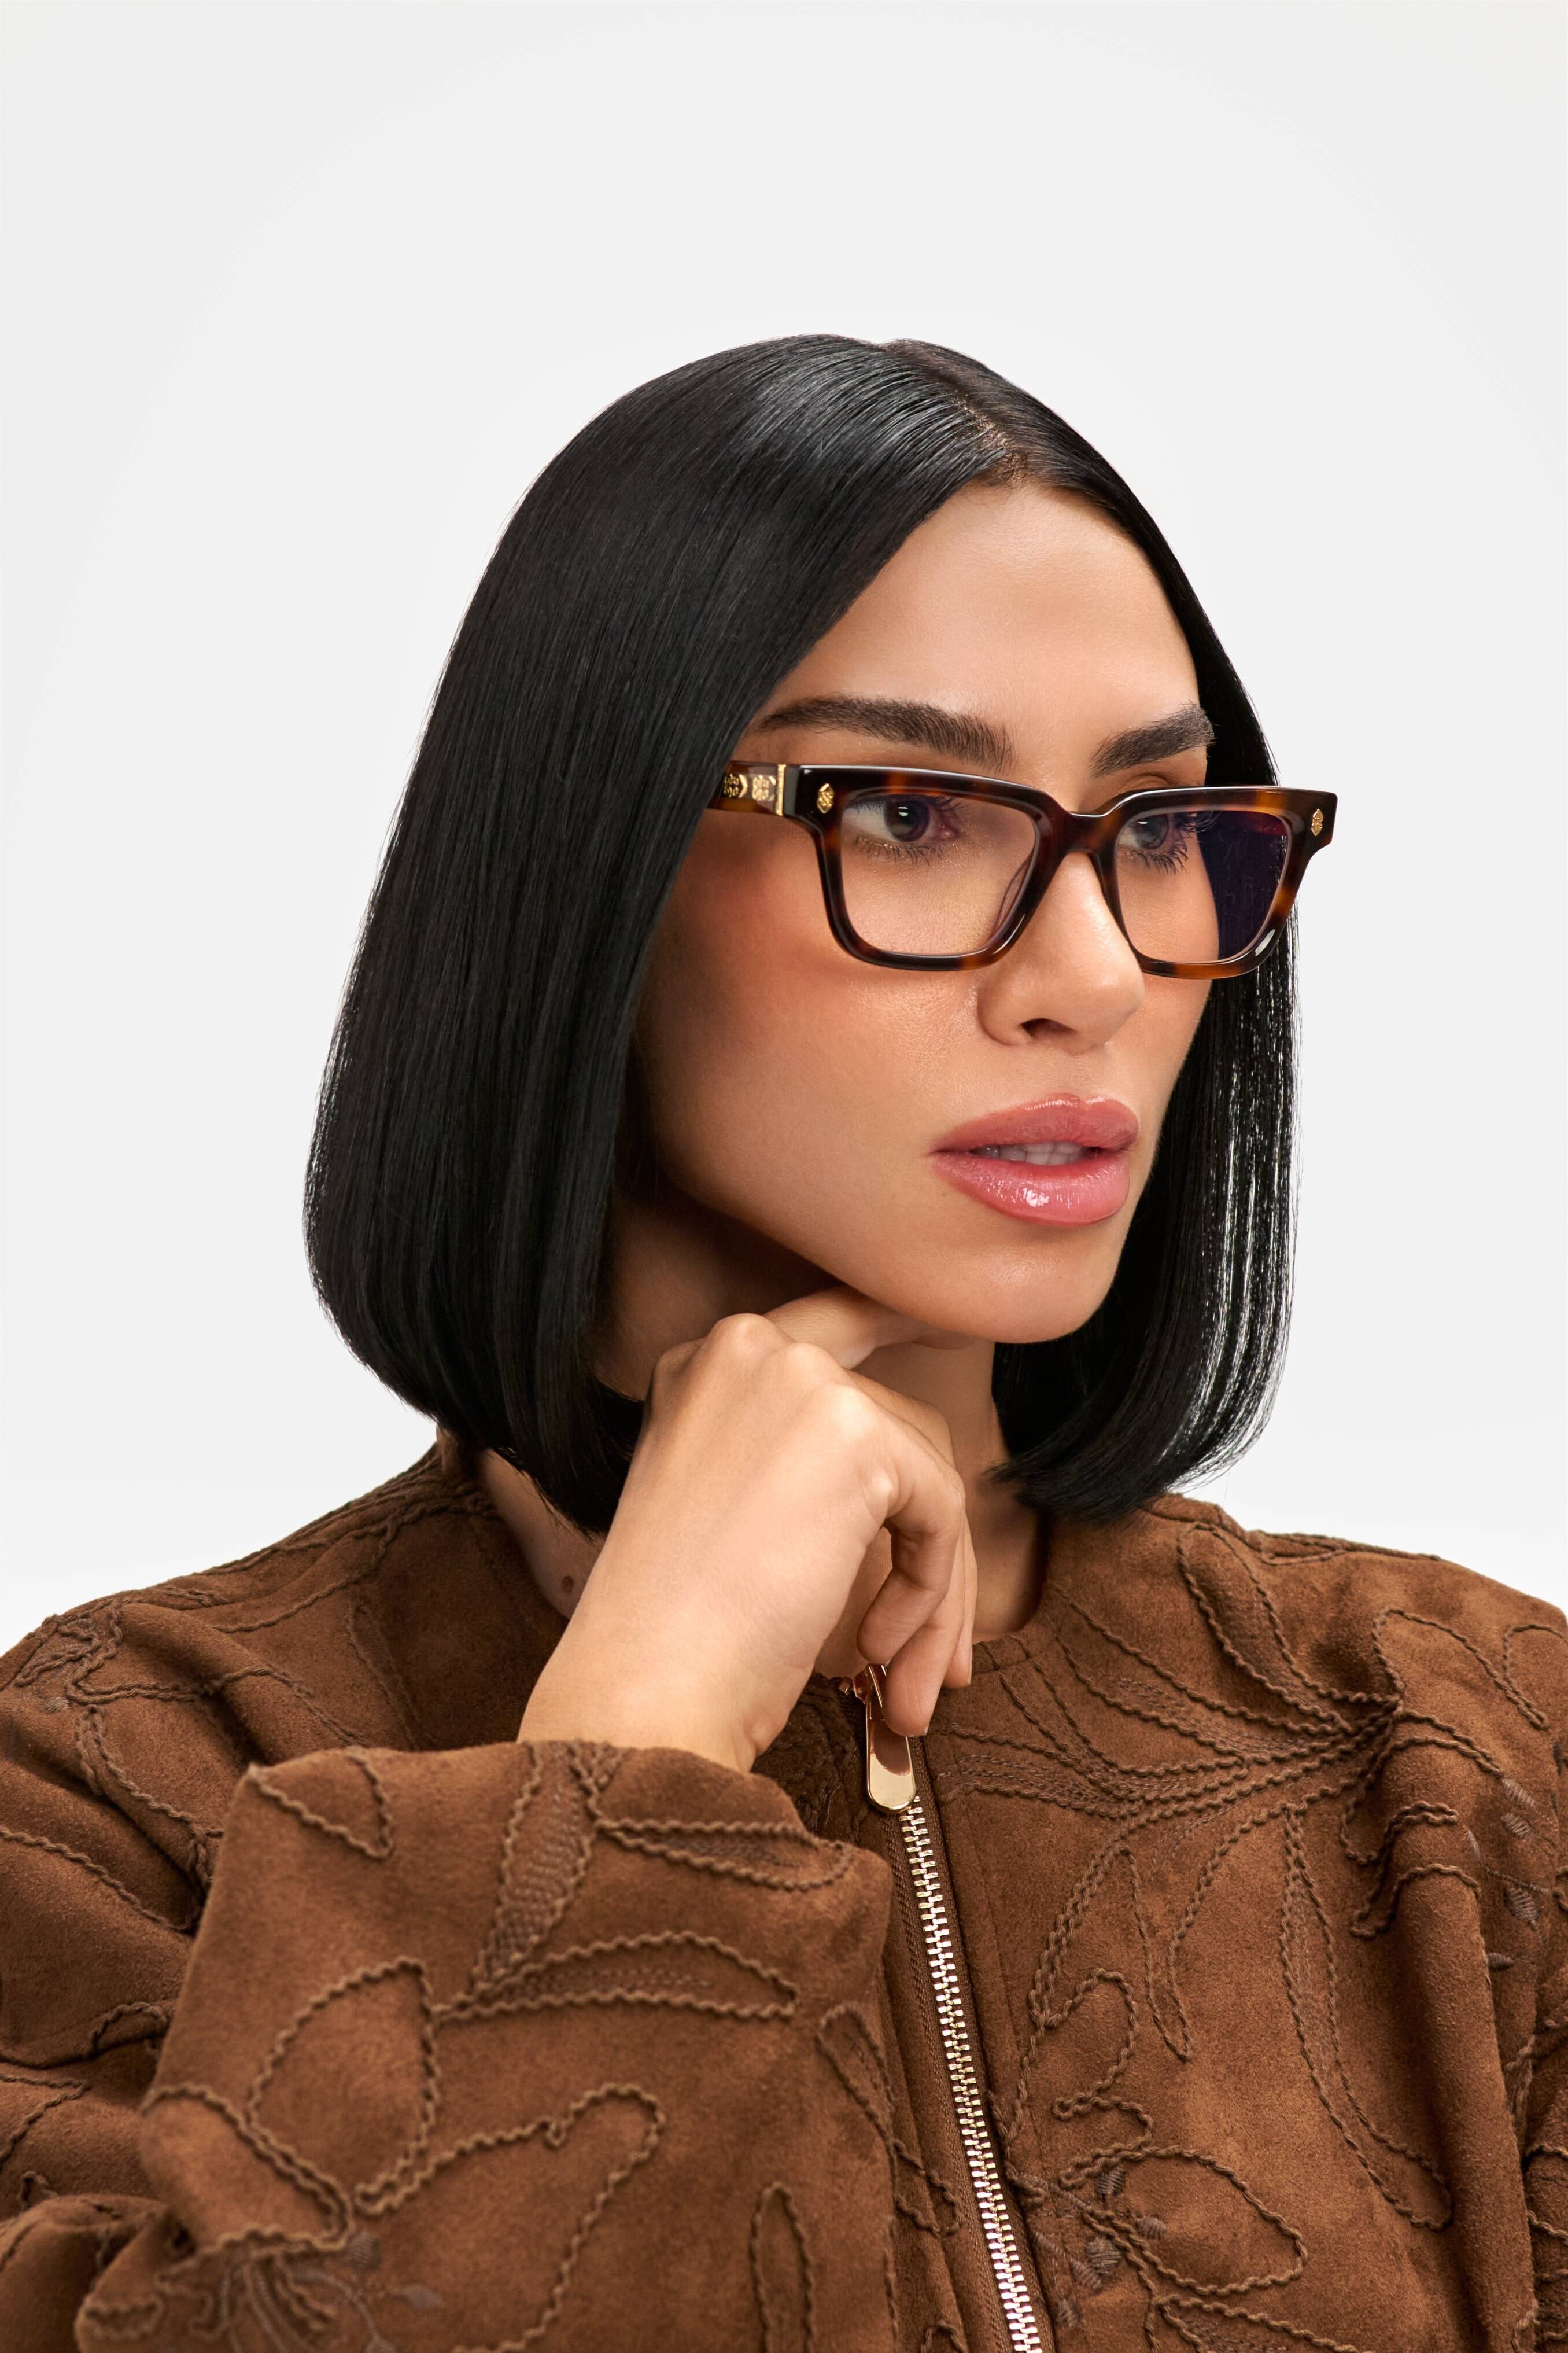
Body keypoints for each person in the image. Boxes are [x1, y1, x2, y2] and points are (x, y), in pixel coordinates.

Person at [1, 336, 1559, 2353]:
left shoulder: (1465, 1751)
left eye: (1162, 823)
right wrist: (627, 1749)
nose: (1094, 972)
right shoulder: (126, 1790)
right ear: (591, 874)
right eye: (910, 811)